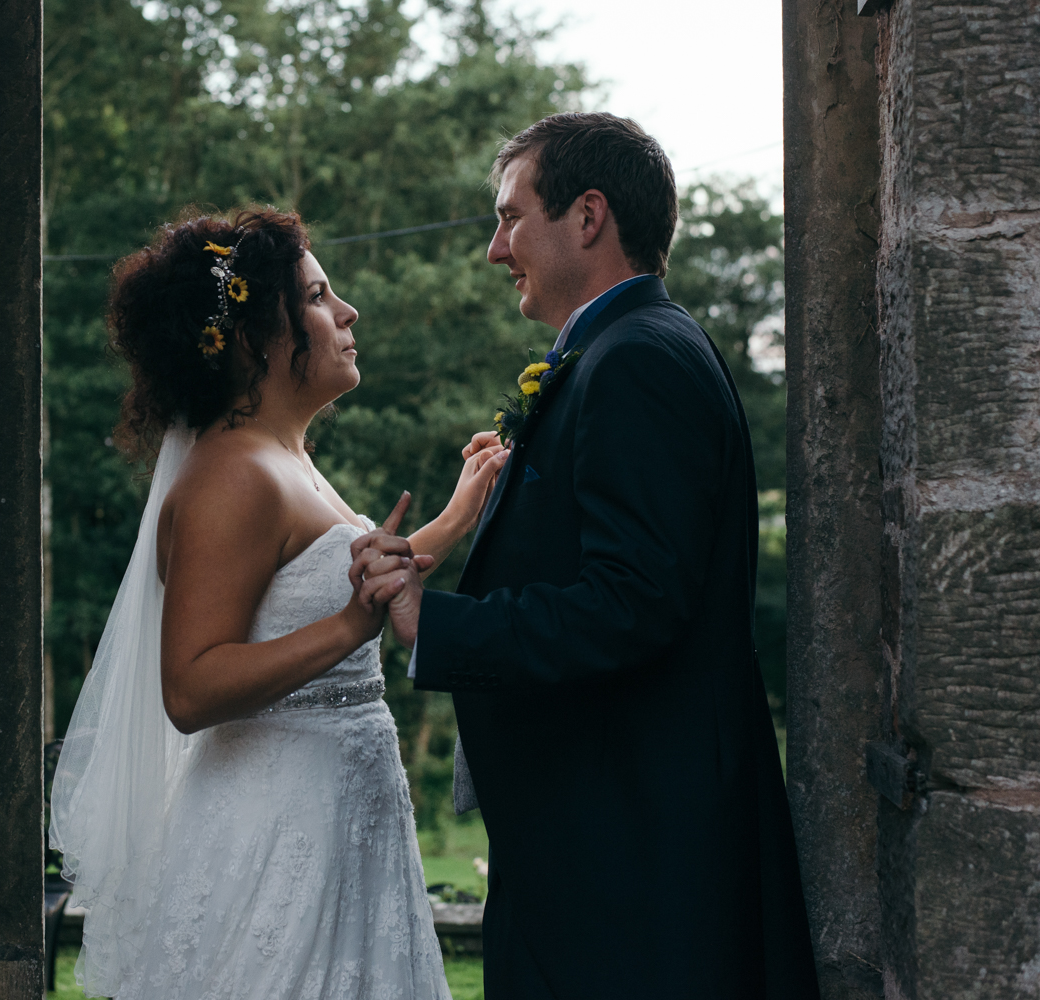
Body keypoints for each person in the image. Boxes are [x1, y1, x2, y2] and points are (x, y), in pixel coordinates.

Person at [352, 113, 821, 997]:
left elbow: (633, 599)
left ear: (588, 215)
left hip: (633, 859)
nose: (496, 249)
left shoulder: (638, 357)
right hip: (601, 836)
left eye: (509, 217)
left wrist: (435, 621)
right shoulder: (615, 350)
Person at [48, 207, 505, 999]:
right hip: (274, 829)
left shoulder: (282, 459)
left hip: (340, 817)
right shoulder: (234, 475)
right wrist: (347, 627)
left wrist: (455, 518)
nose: (348, 312)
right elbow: (191, 687)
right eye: (322, 297)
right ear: (258, 336)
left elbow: (319, 586)